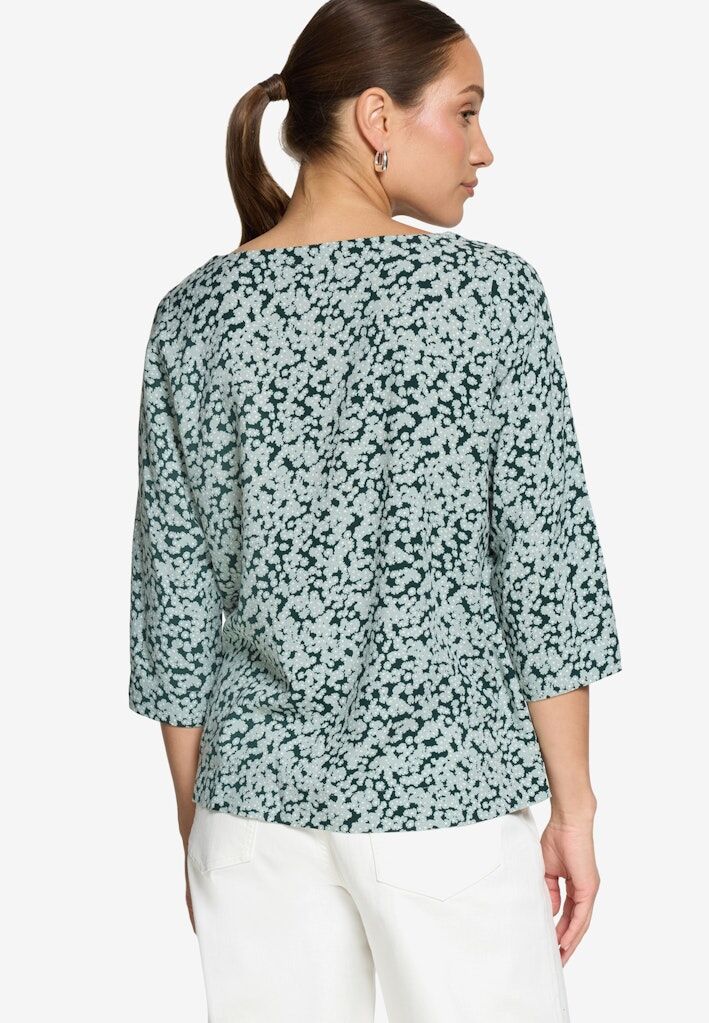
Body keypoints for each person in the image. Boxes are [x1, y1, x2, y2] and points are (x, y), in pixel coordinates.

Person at [128, 1, 622, 1020]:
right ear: (376, 118)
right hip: (446, 805)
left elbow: (174, 609)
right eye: (466, 111)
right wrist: (573, 809)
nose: (483, 149)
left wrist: (199, 833)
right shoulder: (487, 297)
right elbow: (547, 575)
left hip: (248, 814)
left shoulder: (192, 316)